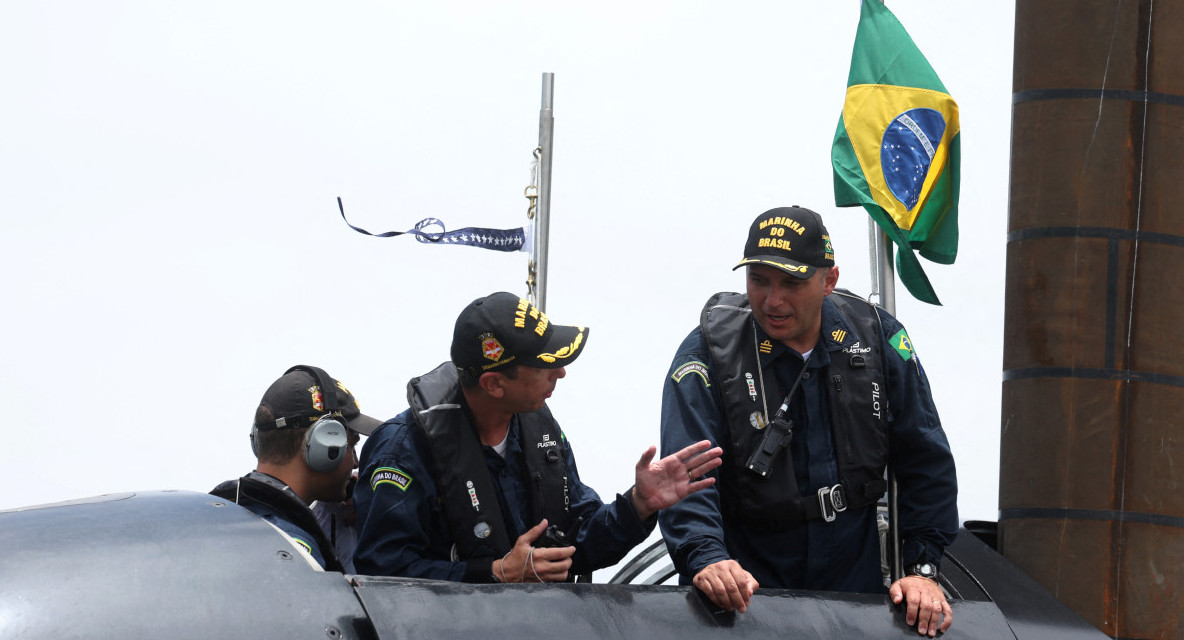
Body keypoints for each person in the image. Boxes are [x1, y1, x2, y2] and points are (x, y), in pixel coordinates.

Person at [658, 207, 958, 637]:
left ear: (828, 280)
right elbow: (685, 474)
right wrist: (706, 557)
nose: (772, 300)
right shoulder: (707, 354)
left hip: (852, 597)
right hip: (744, 601)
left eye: (792, 283)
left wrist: (923, 570)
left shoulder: (878, 339)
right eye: (759, 280)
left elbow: (926, 458)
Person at [353, 292, 723, 583]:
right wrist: (494, 573)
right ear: (494, 383)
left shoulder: (539, 430)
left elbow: (579, 543)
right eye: (544, 364)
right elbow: (381, 575)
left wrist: (639, 504)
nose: (560, 372)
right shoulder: (401, 451)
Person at [212, 365, 380, 571]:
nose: (355, 463)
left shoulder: (225, 516)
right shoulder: (295, 555)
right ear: (324, 444)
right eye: (351, 446)